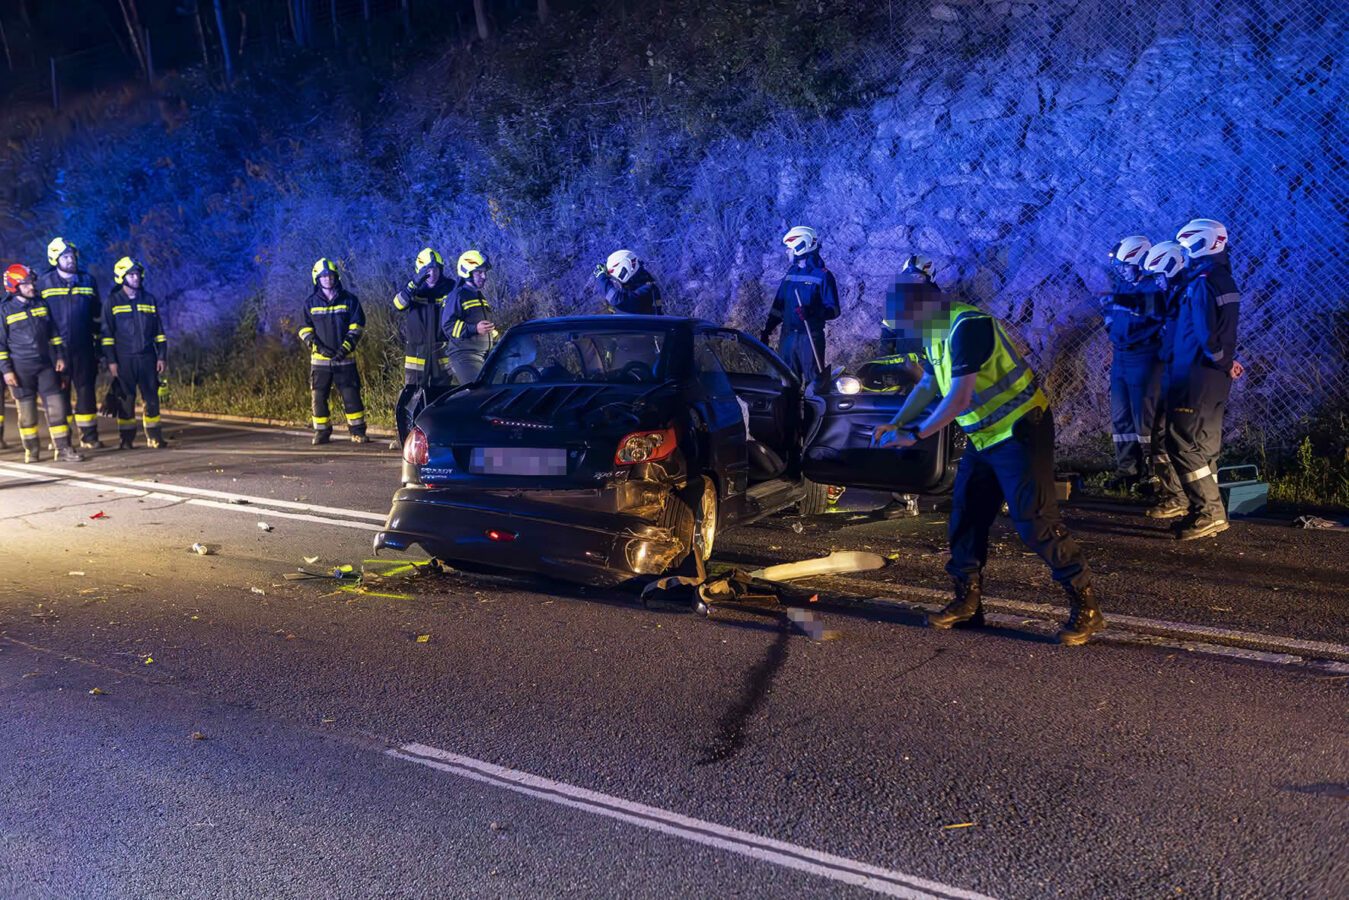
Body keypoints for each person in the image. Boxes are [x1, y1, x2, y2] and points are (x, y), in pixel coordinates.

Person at [873, 284, 1103, 646]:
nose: (907, 334)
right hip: (985, 437)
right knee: (966, 517)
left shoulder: (969, 325)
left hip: (1020, 430)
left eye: (906, 325)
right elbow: (930, 384)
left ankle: (1086, 607)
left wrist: (914, 434)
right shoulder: (935, 331)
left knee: (1034, 522)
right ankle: (967, 604)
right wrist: (897, 422)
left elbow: (959, 398)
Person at [1165, 218, 1241, 540]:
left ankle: (1208, 512)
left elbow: (1207, 333)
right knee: (1205, 445)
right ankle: (1207, 511)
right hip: (1214, 375)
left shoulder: (1203, 282)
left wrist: (1220, 360)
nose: (1184, 253)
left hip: (1196, 374)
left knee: (1182, 440)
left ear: (1201, 244)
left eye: (1187, 247)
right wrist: (1225, 363)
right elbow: (1224, 331)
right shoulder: (1223, 279)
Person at [1101, 235, 1168, 492]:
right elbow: (1110, 313)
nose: (1121, 271)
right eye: (1119, 266)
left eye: (1125, 266)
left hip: (1145, 355)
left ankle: (1156, 475)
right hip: (1121, 356)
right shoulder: (1123, 286)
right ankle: (1127, 470)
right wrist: (1111, 327)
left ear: (1140, 263)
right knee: (1121, 417)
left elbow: (1156, 312)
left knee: (1145, 419)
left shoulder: (1155, 287)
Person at [0, 264, 82, 463]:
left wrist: (60, 356)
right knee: (27, 414)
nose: (31, 287)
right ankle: (32, 450)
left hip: (46, 366)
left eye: (31, 283)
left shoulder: (41, 303)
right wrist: (7, 370)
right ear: (14, 287)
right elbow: (0, 345)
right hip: (20, 369)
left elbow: (54, 334)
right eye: (26, 284)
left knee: (57, 407)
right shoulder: (4, 310)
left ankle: (63, 449)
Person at [1140, 240, 1189, 519]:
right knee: (1163, 435)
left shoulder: (1185, 296)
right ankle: (1183, 496)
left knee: (1166, 436)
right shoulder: (1178, 295)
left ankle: (1178, 497)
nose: (1157, 281)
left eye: (1159, 275)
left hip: (1181, 377)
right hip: (1173, 374)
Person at [37, 237, 102, 448]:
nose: (70, 259)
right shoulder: (44, 283)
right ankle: (62, 440)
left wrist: (99, 346)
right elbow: (39, 319)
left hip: (84, 348)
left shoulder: (88, 280)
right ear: (54, 259)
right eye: (65, 256)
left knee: (86, 391)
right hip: (55, 351)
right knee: (58, 395)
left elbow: (97, 315)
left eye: (72, 255)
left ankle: (89, 437)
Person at [297, 258, 367, 445]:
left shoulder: (349, 300)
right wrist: (318, 347)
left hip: (345, 359)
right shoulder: (310, 303)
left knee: (351, 395)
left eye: (330, 276)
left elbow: (357, 326)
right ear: (317, 279)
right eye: (323, 276)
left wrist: (346, 347)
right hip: (320, 361)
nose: (327, 279)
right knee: (319, 397)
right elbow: (304, 329)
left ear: (336, 277)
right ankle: (321, 432)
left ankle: (358, 432)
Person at [101, 257, 168, 449]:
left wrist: (161, 356)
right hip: (124, 359)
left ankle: (154, 437)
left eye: (137, 274)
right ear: (122, 277)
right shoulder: (112, 302)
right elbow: (107, 336)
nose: (136, 278)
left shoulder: (149, 300)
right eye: (131, 275)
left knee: (152, 398)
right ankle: (126, 439)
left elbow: (159, 332)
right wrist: (111, 361)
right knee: (126, 400)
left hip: (147, 357)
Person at [761, 226, 840, 383]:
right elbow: (778, 306)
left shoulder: (823, 276)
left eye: (790, 248)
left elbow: (834, 310)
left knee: (813, 383)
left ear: (801, 247)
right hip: (788, 337)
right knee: (786, 381)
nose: (787, 252)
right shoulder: (791, 274)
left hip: (809, 337)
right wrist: (767, 330)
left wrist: (813, 312)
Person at [392, 248, 453, 387]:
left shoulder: (450, 287)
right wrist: (412, 287)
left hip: (442, 350)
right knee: (413, 392)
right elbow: (397, 305)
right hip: (416, 351)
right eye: (428, 270)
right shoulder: (413, 289)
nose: (433, 273)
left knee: (443, 392)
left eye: (436, 269)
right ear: (420, 271)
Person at [442, 250, 496, 385]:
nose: (484, 276)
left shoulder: (478, 296)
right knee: (478, 392)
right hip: (465, 356)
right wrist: (474, 329)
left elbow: (482, 325)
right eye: (479, 272)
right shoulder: (458, 295)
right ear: (467, 272)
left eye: (485, 272)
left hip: (484, 355)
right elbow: (448, 325)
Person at [595, 250, 663, 315]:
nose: (615, 282)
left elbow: (617, 299)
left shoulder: (648, 289)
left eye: (616, 279)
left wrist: (602, 278)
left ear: (623, 272)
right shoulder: (630, 290)